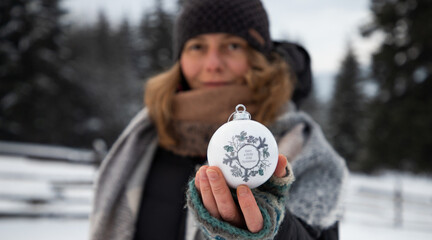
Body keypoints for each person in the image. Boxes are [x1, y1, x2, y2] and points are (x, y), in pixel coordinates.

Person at [89, 0, 348, 239]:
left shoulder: (306, 152)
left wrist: (272, 233)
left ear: (259, 58)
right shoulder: (145, 136)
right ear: (180, 59)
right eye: (197, 46)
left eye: (233, 46)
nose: (212, 63)